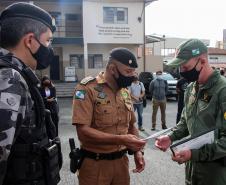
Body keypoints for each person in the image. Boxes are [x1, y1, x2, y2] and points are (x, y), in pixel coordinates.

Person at [0, 2, 62, 185]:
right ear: (29, 41)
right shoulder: (9, 78)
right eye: (48, 41)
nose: (50, 48)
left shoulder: (17, 75)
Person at [155, 39, 226, 185]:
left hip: (216, 174)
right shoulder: (191, 89)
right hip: (192, 169)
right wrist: (170, 137)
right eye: (180, 68)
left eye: (186, 68)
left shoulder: (223, 91)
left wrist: (194, 154)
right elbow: (185, 122)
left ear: (202, 61)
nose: (182, 72)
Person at [72, 48, 146, 185]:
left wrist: (137, 152)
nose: (132, 76)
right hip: (95, 165)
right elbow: (83, 132)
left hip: (121, 165)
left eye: (133, 72)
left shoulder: (124, 92)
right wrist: (121, 139)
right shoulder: (87, 89)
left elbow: (131, 126)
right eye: (128, 72)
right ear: (112, 69)